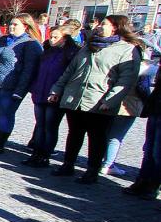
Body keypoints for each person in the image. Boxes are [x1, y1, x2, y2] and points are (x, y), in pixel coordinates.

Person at [50, 15, 143, 183]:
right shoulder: (87, 46)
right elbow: (70, 71)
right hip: (75, 98)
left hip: (100, 102)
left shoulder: (127, 50)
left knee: (97, 137)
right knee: (74, 133)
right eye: (100, 24)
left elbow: (126, 80)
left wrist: (110, 100)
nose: (99, 27)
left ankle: (92, 170)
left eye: (104, 24)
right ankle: (68, 164)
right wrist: (57, 89)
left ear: (115, 28)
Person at [0, 14, 44, 154]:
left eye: (15, 24)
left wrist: (20, 90)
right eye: (11, 24)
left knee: (6, 115)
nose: (11, 26)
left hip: (11, 87)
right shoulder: (3, 40)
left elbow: (29, 70)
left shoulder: (31, 44)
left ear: (25, 26)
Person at [23, 25, 80, 167]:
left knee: (50, 127)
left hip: (55, 96)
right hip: (40, 93)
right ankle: (36, 153)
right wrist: (34, 87)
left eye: (56, 37)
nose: (51, 40)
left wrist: (57, 92)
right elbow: (38, 71)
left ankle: (44, 155)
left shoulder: (71, 54)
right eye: (51, 36)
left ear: (65, 38)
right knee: (40, 125)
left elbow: (68, 77)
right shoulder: (47, 51)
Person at [124, 68, 160, 199]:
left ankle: (153, 185)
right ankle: (142, 180)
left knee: (158, 153)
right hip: (155, 109)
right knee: (148, 150)